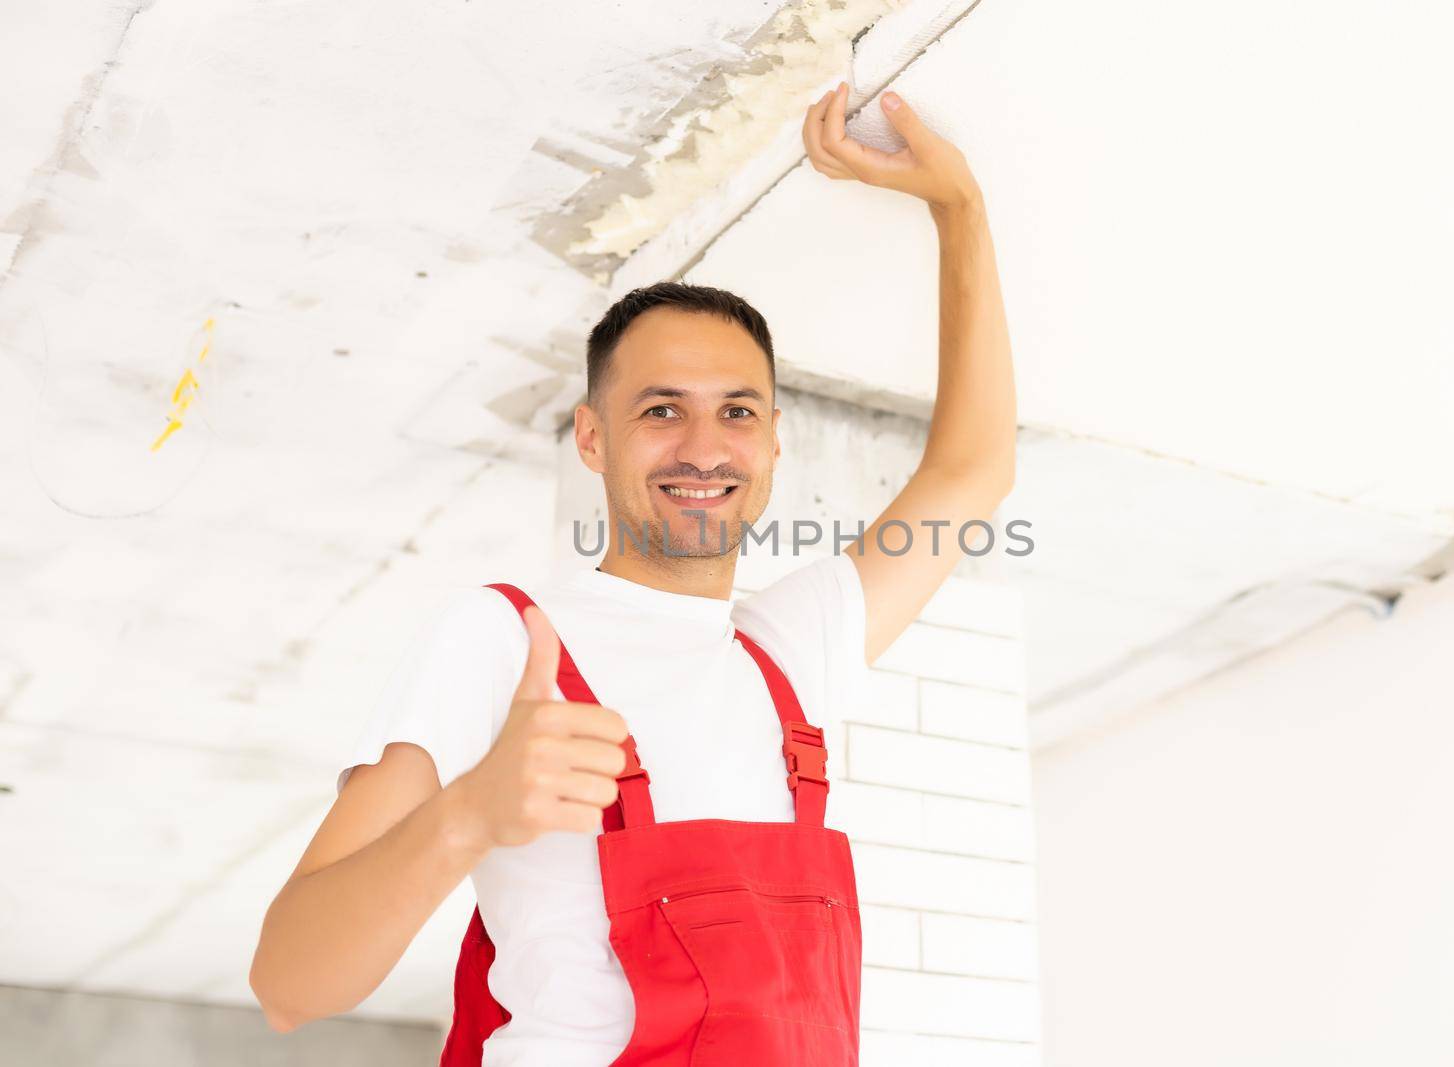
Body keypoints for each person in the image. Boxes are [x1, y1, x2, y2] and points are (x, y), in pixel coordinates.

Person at [249, 81, 1016, 1066]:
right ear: (591, 438)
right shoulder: (510, 642)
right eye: (661, 409)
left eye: (736, 410)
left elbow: (972, 470)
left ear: (775, 442)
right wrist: (470, 811)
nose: (704, 445)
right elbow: (288, 981)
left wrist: (958, 209)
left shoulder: (790, 654)